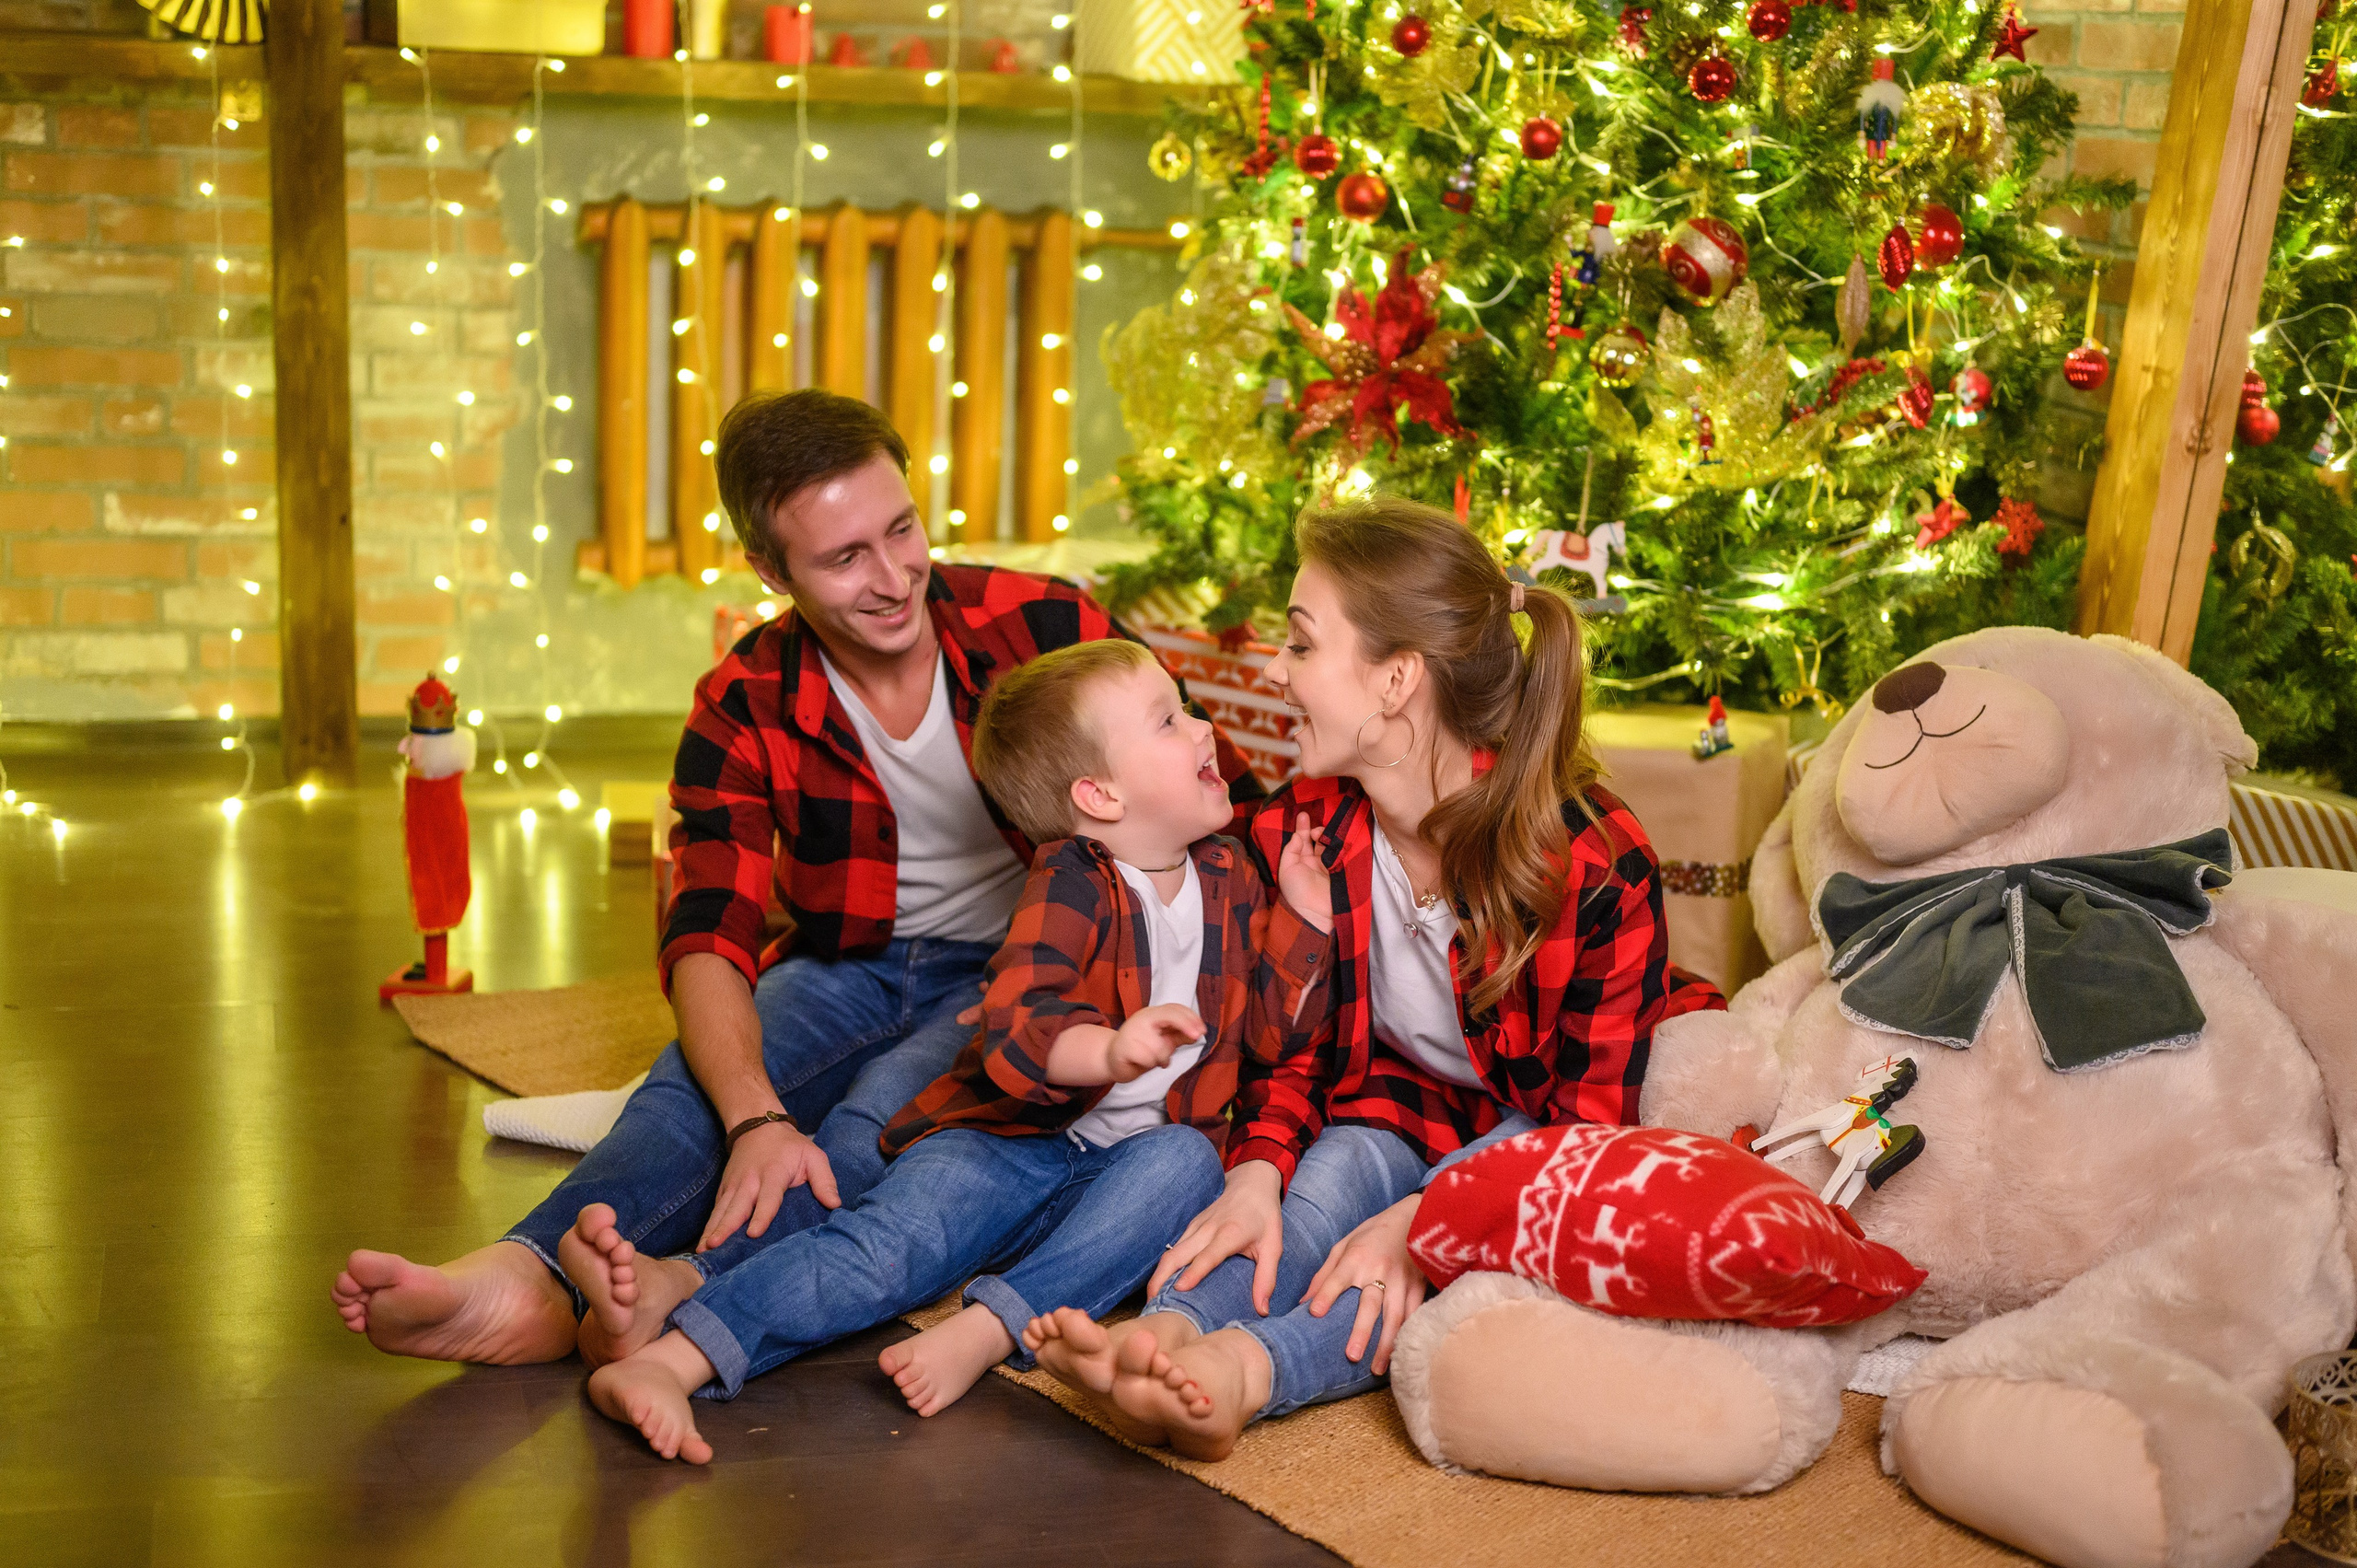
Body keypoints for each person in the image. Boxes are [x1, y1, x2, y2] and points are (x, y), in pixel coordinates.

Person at [331, 390, 1263, 1366]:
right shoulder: (743, 700)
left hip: (1027, 965)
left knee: (887, 1120)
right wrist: (758, 1116)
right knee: (692, 1088)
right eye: (844, 557)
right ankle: (526, 1272)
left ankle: (686, 1287)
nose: (895, 575)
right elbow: (706, 936)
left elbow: (1216, 788)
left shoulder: (1041, 622)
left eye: (901, 528)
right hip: (848, 962)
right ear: (770, 570)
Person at [1027, 497, 1724, 1458]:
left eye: (1302, 644)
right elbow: (1292, 1043)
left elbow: (1588, 1129)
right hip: (1399, 1100)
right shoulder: (1304, 828)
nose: (1273, 670)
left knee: (1424, 1262)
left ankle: (1241, 1373)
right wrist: (1260, 1167)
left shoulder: (1593, 863)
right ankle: (1164, 1335)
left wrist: (1428, 1215)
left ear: (1397, 679)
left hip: (1543, 1127)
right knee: (1327, 1177)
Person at [574, 639, 1335, 1461]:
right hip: (1014, 1138)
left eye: (1184, 707)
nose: (1202, 728)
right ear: (1100, 794)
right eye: (1168, 719)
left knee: (1187, 1162)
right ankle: (671, 1360)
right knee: (887, 1249)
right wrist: (1110, 1050)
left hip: (1129, 1162)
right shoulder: (1073, 881)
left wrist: (1307, 923)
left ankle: (985, 1328)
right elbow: (1018, 1023)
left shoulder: (1232, 875)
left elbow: (1271, 1037)